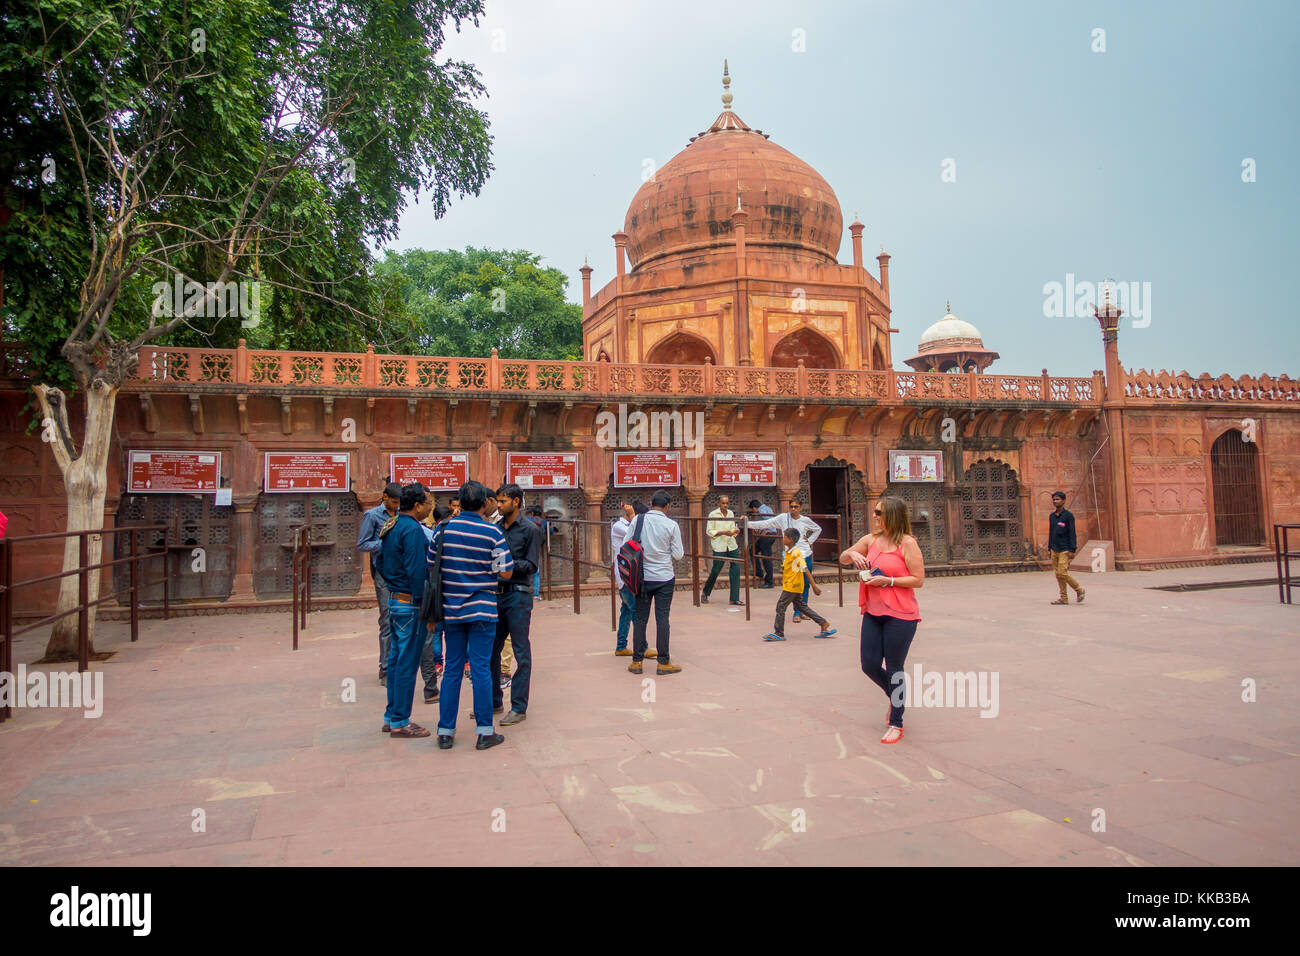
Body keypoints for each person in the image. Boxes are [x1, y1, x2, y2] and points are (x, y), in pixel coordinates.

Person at [432, 480, 514, 751]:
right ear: (483, 503)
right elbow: (505, 572)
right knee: (480, 670)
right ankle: (484, 732)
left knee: (453, 669)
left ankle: (445, 732)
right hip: (482, 610)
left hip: (452, 610)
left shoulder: (442, 531)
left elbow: (431, 566)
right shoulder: (492, 533)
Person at [839, 496, 925, 744]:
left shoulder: (907, 543)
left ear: (893, 516)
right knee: (869, 665)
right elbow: (844, 558)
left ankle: (897, 722)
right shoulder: (871, 540)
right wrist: (852, 555)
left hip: (901, 615)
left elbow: (918, 580)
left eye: (879, 512)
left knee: (895, 668)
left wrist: (889, 581)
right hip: (874, 612)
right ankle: (896, 697)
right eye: (875, 512)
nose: (874, 516)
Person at [378, 482, 434, 738]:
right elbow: (416, 570)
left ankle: (392, 716)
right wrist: (426, 605)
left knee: (396, 661)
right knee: (407, 663)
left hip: (395, 599)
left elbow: (379, 560)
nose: (431, 507)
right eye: (429, 503)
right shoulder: (411, 529)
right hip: (410, 602)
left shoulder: (392, 524)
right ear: (419, 505)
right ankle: (400, 720)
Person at [492, 483, 540, 725]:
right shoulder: (495, 529)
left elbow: (531, 565)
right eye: (498, 501)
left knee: (521, 651)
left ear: (516, 502)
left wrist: (506, 564)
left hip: (518, 595)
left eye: (503, 502)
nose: (499, 506)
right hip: (496, 595)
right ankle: (494, 700)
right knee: (492, 649)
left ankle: (519, 706)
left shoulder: (530, 530)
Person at [629, 490, 684, 676]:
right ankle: (663, 662)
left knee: (640, 619)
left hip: (642, 577)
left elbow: (628, 543)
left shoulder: (638, 520)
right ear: (667, 506)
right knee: (662, 619)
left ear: (652, 503)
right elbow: (678, 555)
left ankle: (637, 662)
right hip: (664, 578)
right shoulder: (671, 525)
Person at [357, 482, 402, 686]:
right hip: (383, 572)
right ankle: (385, 668)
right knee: (386, 618)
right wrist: (384, 543)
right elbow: (362, 544)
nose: (396, 505)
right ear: (385, 497)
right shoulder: (373, 516)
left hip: (400, 573)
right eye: (393, 501)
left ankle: (397, 664)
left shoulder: (401, 514)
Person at [748, 499, 822, 620]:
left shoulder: (805, 520)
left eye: (796, 507)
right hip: (793, 556)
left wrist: (810, 540)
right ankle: (797, 612)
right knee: (796, 584)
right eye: (791, 506)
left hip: (805, 553)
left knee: (806, 584)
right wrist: (747, 523)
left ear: (800, 508)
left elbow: (818, 529)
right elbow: (766, 523)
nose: (793, 509)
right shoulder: (783, 518)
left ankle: (804, 610)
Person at [764, 527, 837, 641]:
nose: (783, 538)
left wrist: (814, 586)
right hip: (792, 584)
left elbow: (805, 569)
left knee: (780, 606)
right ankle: (823, 623)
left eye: (785, 536)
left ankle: (779, 633)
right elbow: (793, 568)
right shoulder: (789, 552)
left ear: (791, 539)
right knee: (802, 607)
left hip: (792, 586)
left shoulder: (796, 553)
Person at [610, 500, 652, 656]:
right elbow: (636, 534)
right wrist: (633, 515)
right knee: (636, 611)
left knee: (627, 611)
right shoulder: (619, 527)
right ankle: (643, 647)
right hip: (625, 576)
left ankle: (621, 646)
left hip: (631, 575)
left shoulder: (630, 524)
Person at [702, 495, 742, 606]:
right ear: (719, 504)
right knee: (716, 570)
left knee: (736, 569)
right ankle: (705, 592)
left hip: (731, 544)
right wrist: (723, 532)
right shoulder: (713, 514)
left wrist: (735, 531)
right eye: (723, 503)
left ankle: (734, 598)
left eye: (727, 503)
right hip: (719, 545)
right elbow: (709, 531)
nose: (725, 505)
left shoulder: (730, 513)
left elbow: (732, 529)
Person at [1048, 491, 1084, 605]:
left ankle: (1079, 589)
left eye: (1057, 499)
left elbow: (1072, 533)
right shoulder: (1052, 516)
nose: (1055, 501)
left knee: (1062, 572)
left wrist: (1073, 549)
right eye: (1054, 499)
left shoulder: (1068, 516)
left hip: (1064, 548)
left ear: (1063, 501)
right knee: (1058, 574)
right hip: (1054, 548)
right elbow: (1051, 532)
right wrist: (1049, 548)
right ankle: (1063, 598)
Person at [748, 499, 777, 588]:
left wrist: (766, 530)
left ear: (754, 508)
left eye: (752, 510)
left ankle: (769, 582)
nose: (754, 512)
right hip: (770, 535)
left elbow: (768, 521)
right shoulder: (767, 508)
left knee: (766, 558)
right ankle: (759, 572)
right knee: (753, 550)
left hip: (768, 536)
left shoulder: (761, 510)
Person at [527, 505, 546, 598]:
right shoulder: (544, 522)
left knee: (525, 571)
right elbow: (550, 531)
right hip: (536, 549)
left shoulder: (528, 520)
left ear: (532, 513)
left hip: (525, 549)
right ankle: (536, 594)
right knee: (536, 573)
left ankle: (524, 592)